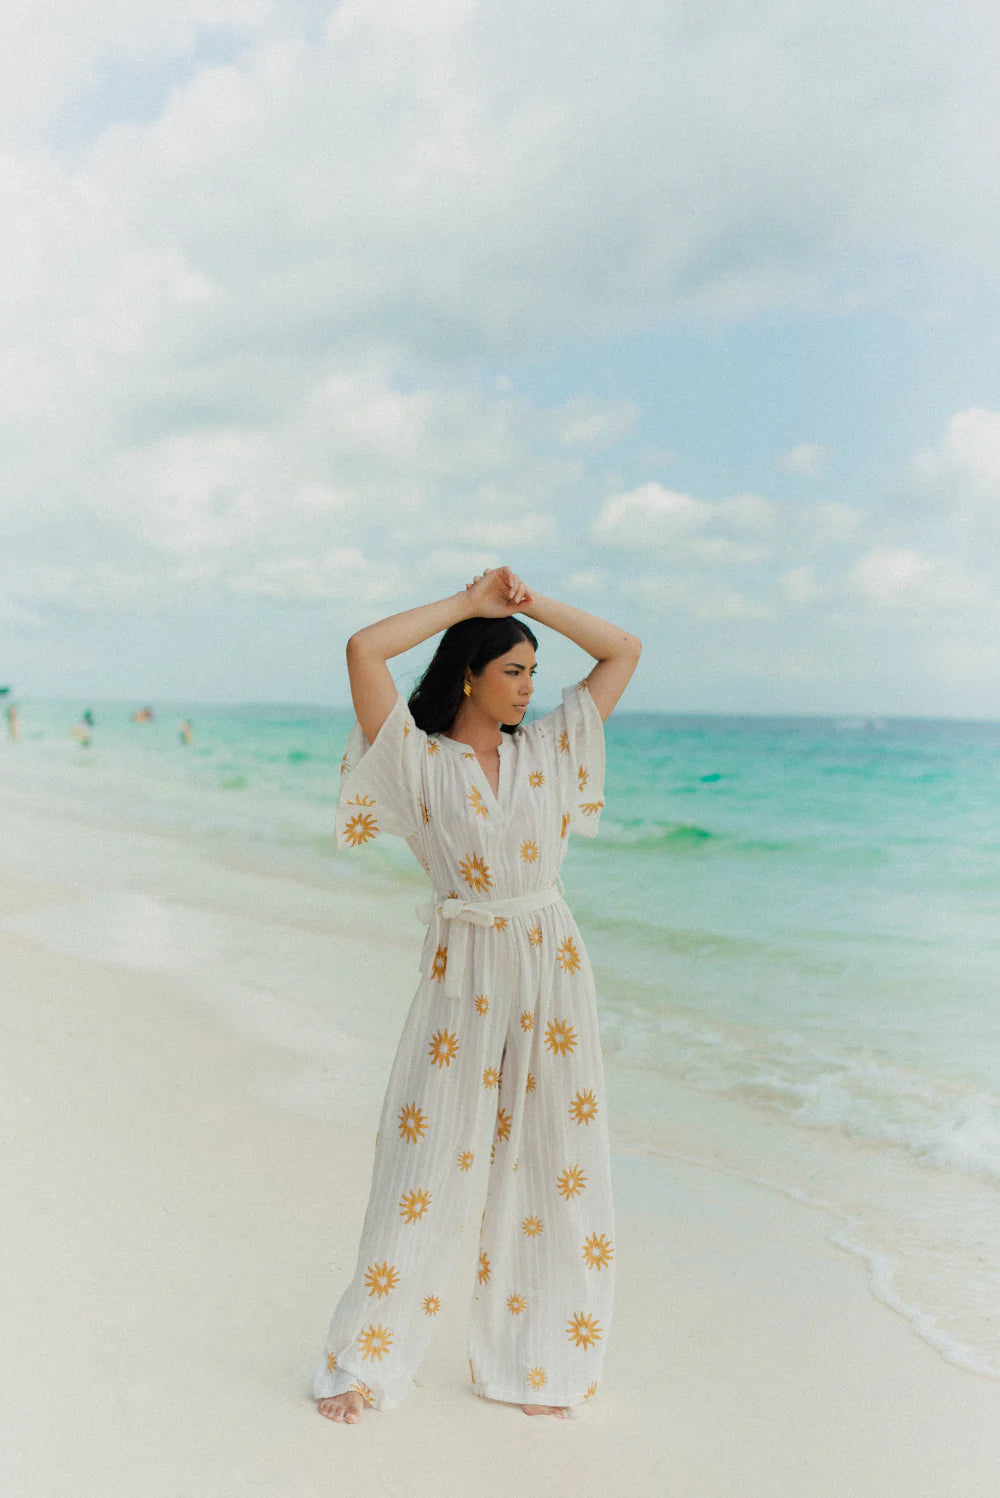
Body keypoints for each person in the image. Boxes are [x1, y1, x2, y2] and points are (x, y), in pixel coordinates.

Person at [312, 566, 641, 1425]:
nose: (530, 687)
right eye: (513, 670)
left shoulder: (550, 750)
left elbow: (622, 650)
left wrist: (534, 607)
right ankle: (363, 1363)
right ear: (469, 675)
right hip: (462, 973)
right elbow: (364, 649)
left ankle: (539, 1365)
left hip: (551, 964)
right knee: (422, 1165)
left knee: (556, 1160)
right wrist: (468, 605)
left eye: (534, 672)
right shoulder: (417, 761)